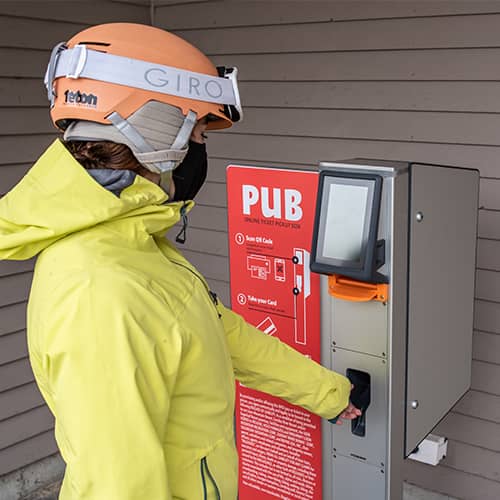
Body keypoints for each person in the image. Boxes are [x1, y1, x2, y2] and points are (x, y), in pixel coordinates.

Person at [0, 23, 360, 499]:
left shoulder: (133, 245)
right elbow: (117, 485)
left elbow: (212, 331)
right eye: (198, 132)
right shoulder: (101, 291)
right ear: (154, 132)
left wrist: (327, 393)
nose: (201, 151)